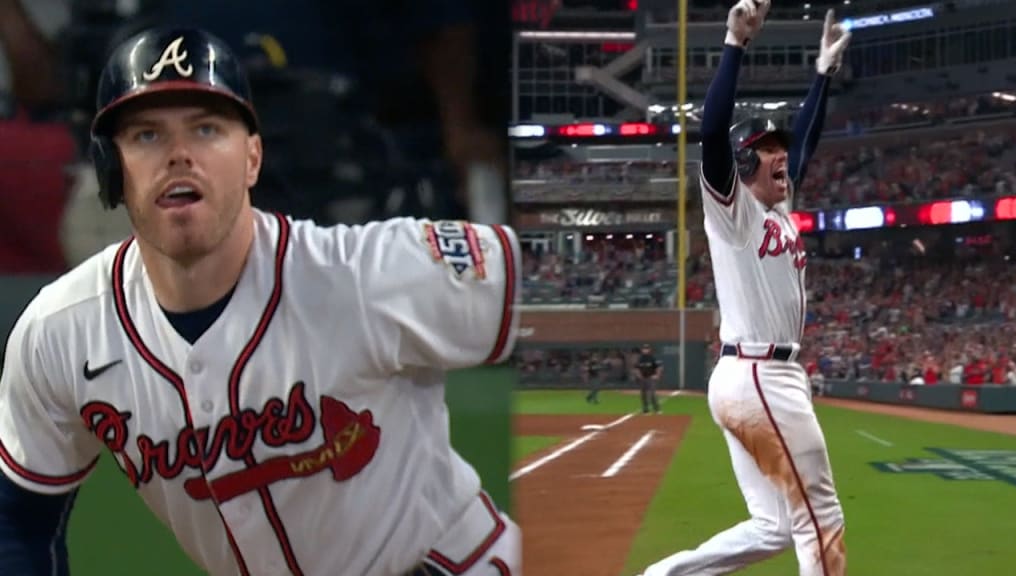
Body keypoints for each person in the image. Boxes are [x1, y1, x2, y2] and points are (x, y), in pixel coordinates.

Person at [0, 28, 522, 576]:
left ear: (252, 158)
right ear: (113, 170)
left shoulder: (365, 275)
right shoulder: (61, 332)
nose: (179, 155)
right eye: (147, 135)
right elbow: (16, 517)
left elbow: (578, 288)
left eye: (206, 129)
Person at [638, 2, 851, 575]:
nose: (781, 157)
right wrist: (734, 43)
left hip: (755, 376)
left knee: (776, 526)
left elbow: (802, 142)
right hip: (759, 374)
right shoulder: (733, 214)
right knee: (821, 515)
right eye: (766, 151)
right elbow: (710, 129)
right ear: (741, 166)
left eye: (780, 151)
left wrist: (822, 75)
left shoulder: (779, 205)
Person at [633, 344, 662, 414]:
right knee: (643, 395)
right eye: (644, 349)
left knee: (652, 394)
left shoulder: (652, 358)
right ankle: (645, 409)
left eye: (646, 349)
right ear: (642, 350)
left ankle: (657, 409)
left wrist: (657, 375)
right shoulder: (640, 359)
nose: (645, 350)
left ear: (649, 350)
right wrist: (638, 375)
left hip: (650, 378)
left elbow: (659, 367)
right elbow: (636, 368)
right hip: (643, 378)